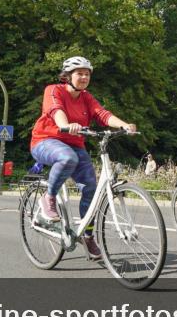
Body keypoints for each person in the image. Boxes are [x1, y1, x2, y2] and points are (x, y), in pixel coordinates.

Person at [29, 56, 136, 259]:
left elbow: (102, 114)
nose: (84, 77)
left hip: (75, 145)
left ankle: (87, 236)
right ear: (68, 76)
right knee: (68, 158)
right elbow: (55, 110)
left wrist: (123, 125)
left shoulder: (86, 97)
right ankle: (48, 197)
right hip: (45, 141)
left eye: (87, 74)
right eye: (79, 73)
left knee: (91, 191)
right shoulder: (54, 90)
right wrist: (66, 124)